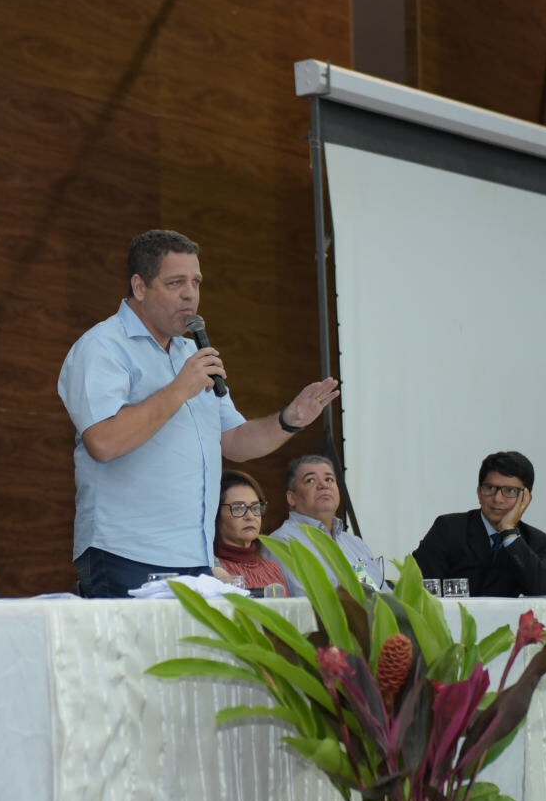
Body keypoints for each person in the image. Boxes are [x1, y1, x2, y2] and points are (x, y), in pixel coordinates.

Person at [58, 229, 340, 598]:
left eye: (195, 282)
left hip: (195, 554)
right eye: (176, 282)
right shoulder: (102, 348)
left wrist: (290, 419)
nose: (190, 293)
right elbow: (104, 441)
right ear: (140, 287)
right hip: (126, 552)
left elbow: (236, 442)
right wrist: (179, 389)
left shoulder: (189, 354)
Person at [412, 451, 546, 597]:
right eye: (490, 488)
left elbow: (544, 590)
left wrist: (509, 533)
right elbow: (421, 586)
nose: (497, 499)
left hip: (505, 620)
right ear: (478, 492)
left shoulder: (533, 539)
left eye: (510, 491)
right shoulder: (448, 528)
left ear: (526, 498)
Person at [264, 455, 387, 596]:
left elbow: (385, 597)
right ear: (291, 498)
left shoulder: (355, 544)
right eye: (310, 480)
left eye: (329, 479)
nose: (323, 485)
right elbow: (309, 604)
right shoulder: (283, 543)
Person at [212, 470, 286, 592]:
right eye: (238, 508)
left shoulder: (273, 569)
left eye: (256, 507)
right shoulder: (213, 572)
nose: (250, 516)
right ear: (216, 514)